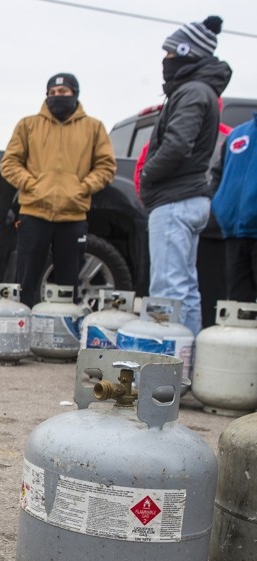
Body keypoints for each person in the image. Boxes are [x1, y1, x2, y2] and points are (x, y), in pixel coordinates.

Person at [139, 16, 232, 336]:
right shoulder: (201, 90)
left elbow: (178, 144)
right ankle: (186, 362)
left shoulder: (191, 92)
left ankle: (167, 369)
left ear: (186, 52)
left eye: (169, 53)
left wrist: (148, 175)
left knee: (168, 290)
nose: (165, 61)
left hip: (175, 200)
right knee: (187, 289)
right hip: (191, 198)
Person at [0, 73, 116, 309]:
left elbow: (106, 166)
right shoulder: (27, 125)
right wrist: (33, 185)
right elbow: (9, 164)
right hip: (34, 214)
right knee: (25, 281)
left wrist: (82, 188)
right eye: (52, 93)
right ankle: (24, 329)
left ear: (74, 93)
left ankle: (65, 336)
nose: (57, 98)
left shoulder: (94, 128)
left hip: (73, 216)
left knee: (68, 284)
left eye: (62, 93)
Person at [211, 110, 257, 302]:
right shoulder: (237, 134)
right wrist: (219, 204)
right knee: (238, 307)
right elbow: (217, 174)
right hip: (233, 233)